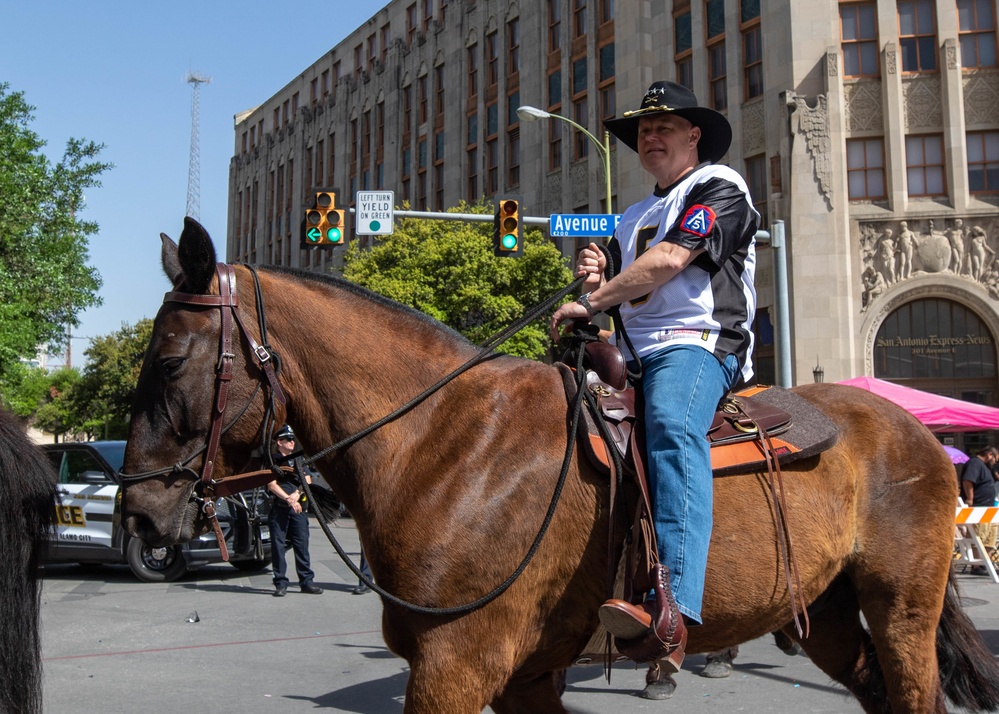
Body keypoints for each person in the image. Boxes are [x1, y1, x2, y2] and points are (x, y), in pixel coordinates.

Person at [551, 81, 758, 671]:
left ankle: (674, 603)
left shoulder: (719, 186)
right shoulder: (632, 217)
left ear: (694, 136)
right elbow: (616, 290)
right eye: (643, 131)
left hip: (698, 345)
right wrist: (594, 276)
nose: (651, 137)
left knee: (669, 425)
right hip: (634, 356)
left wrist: (594, 302)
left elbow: (669, 261)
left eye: (664, 127)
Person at [267, 424, 323, 596]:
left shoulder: (298, 460)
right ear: (279, 442)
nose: (292, 442)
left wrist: (296, 495)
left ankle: (306, 582)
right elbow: (271, 484)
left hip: (297, 508)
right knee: (278, 546)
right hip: (280, 509)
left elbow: (307, 479)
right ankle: (280, 583)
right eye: (288, 439)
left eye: (292, 439)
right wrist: (288, 499)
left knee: (302, 545)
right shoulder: (273, 461)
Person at [961, 446, 999, 574]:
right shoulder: (975, 463)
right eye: (995, 458)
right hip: (979, 507)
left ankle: (985, 563)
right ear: (989, 455)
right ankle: (977, 566)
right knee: (979, 536)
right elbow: (967, 480)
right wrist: (970, 499)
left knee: (990, 538)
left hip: (989, 508)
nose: (995, 462)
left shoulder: (986, 467)